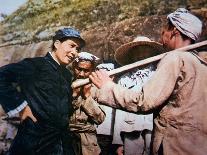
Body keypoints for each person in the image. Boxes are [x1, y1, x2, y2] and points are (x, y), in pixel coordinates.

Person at [89, 8, 207, 155]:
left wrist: (107, 86)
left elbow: (144, 101)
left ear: (174, 31)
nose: (161, 38)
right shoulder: (202, 65)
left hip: (174, 146)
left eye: (164, 32)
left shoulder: (175, 58)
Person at [0, 27, 85, 155]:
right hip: (35, 142)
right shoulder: (35, 65)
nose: (74, 52)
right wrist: (21, 107)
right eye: (71, 46)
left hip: (62, 143)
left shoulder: (67, 75)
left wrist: (73, 96)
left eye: (77, 49)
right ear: (57, 44)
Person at [114, 36, 165, 155]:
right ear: (131, 56)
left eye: (145, 51)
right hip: (130, 128)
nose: (141, 54)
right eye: (137, 51)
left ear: (152, 53)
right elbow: (119, 110)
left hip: (154, 127)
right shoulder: (124, 80)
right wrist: (118, 141)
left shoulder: (159, 74)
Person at [70, 52, 105, 155]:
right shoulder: (65, 86)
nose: (81, 74)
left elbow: (100, 119)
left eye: (86, 71)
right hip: (65, 139)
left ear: (92, 71)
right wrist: (73, 96)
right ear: (73, 67)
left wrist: (87, 96)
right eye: (79, 69)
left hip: (87, 142)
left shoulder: (97, 90)